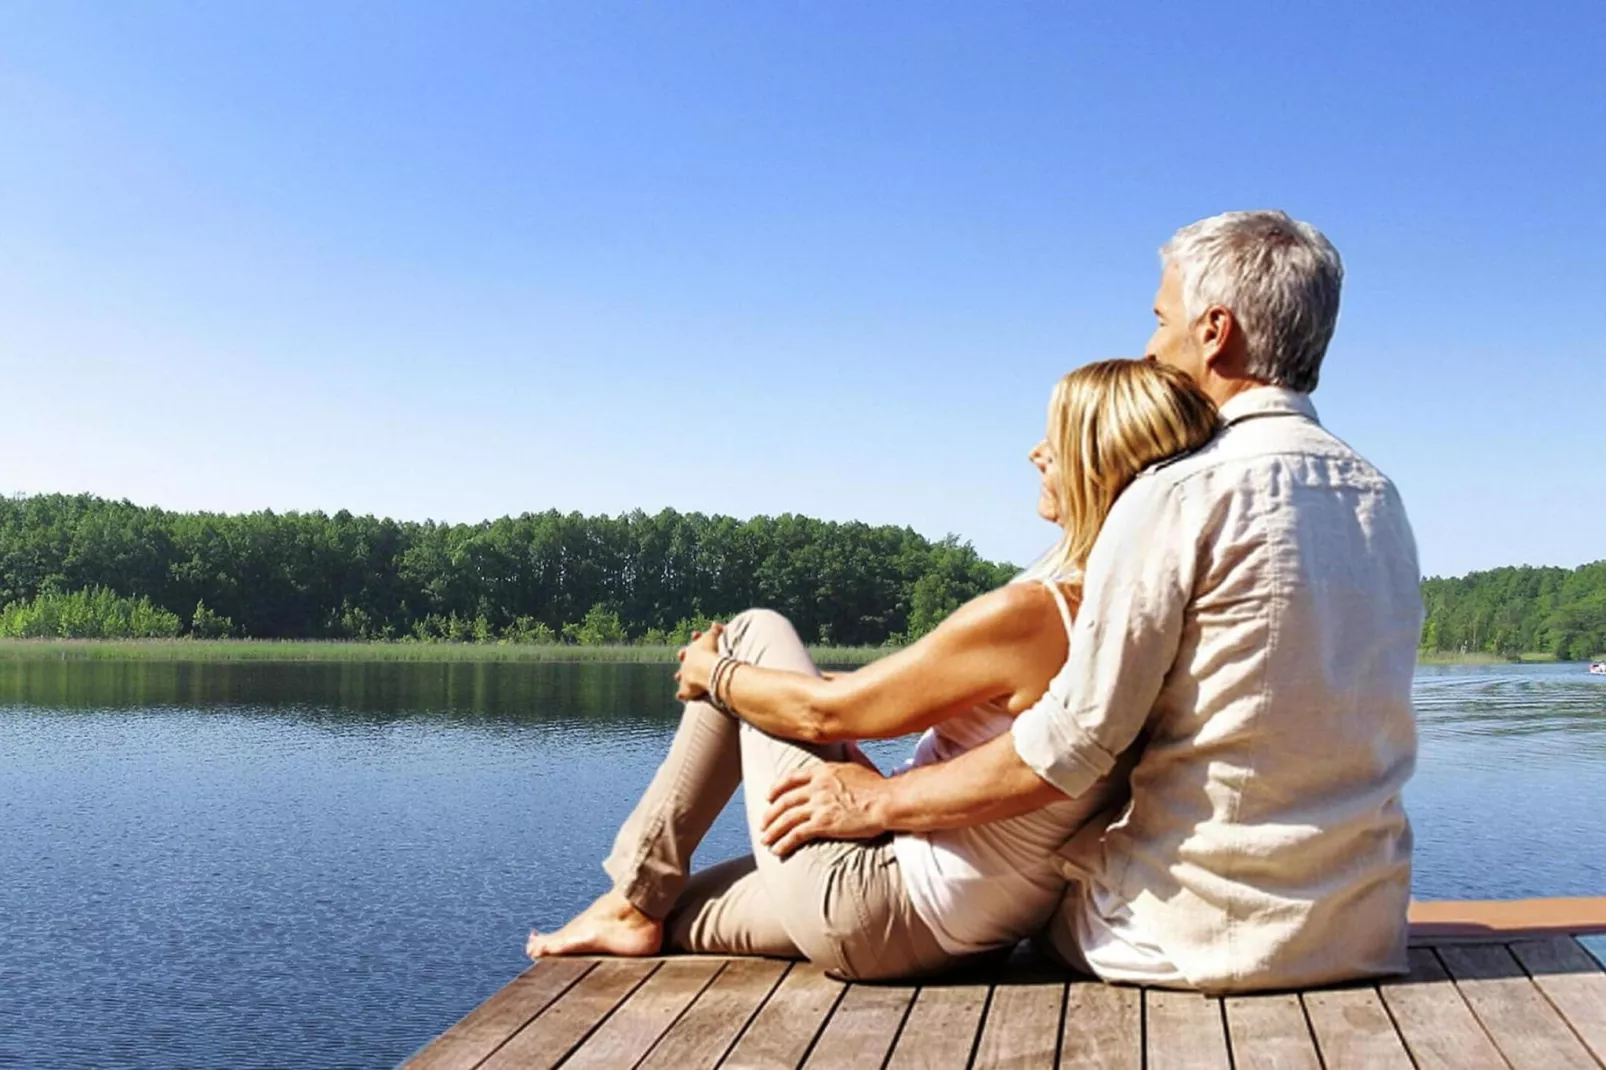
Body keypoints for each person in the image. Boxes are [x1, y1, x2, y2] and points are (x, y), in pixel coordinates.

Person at [757, 210, 1425, 993]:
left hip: (1190, 935)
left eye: (1159, 319)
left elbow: (1070, 747)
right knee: (761, 903)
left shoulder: (1178, 492)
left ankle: (644, 898)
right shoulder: (1380, 497)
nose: (1149, 346)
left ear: (1215, 331)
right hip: (1361, 928)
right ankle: (651, 903)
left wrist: (881, 803)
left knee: (1000, 878)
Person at [525, 359, 1219, 980]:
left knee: (751, 631)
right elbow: (861, 699)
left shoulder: (1036, 614)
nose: (1036, 452)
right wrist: (766, 698)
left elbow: (828, 714)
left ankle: (633, 890)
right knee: (676, 916)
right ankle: (639, 906)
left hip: (885, 901)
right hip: (974, 929)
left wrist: (715, 673)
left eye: (1055, 438)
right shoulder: (1138, 620)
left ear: (1102, 462)